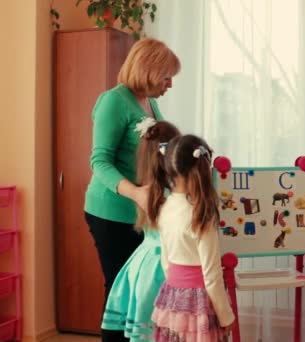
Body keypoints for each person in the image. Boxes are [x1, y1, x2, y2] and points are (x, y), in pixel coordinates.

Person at [84, 37, 180, 342]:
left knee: (141, 292)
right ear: (149, 71)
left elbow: (158, 148)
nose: (169, 85)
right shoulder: (113, 101)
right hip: (111, 212)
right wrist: (137, 192)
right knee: (120, 291)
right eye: (166, 77)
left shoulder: (149, 101)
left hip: (141, 215)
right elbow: (99, 161)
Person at [101, 120, 180, 341]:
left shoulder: (145, 190)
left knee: (142, 324)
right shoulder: (173, 195)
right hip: (162, 266)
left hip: (141, 264)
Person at [151, 135, 235, 341]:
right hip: (199, 301)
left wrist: (176, 290)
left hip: (174, 297)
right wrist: (226, 316)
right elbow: (211, 275)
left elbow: (166, 262)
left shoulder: (166, 206)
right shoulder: (201, 214)